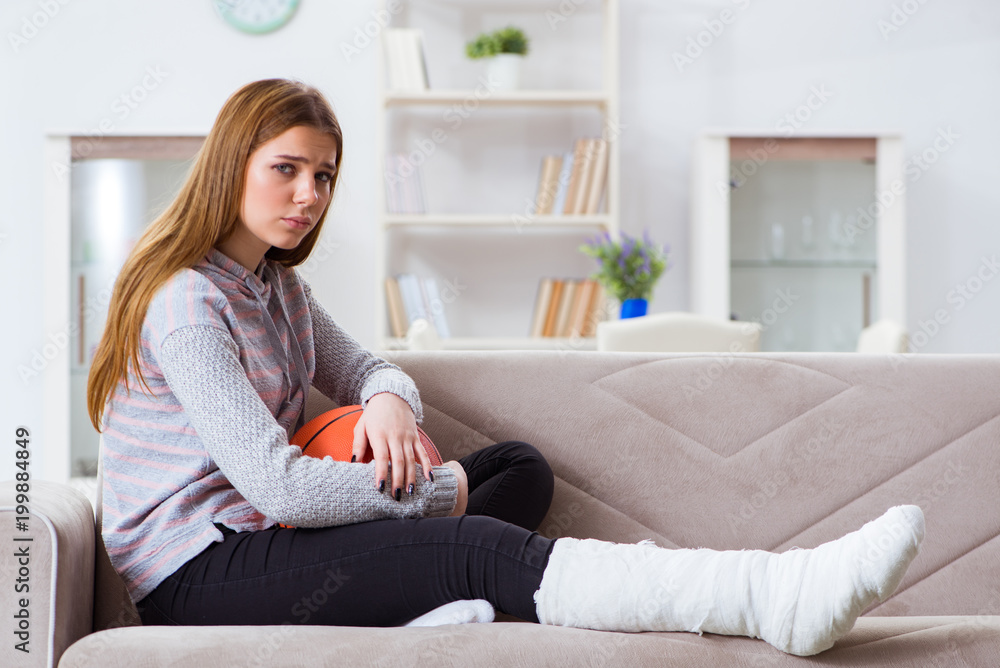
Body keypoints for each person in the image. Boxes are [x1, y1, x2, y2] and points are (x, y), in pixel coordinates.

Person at [87, 78, 925, 657]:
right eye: (286, 169)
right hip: (201, 568)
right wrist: (433, 492)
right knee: (478, 542)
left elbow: (372, 366)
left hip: (267, 532)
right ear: (231, 164)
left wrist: (384, 400)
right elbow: (280, 489)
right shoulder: (188, 302)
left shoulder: (279, 289)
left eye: (323, 176)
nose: (308, 195)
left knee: (518, 468)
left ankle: (423, 606)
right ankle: (766, 596)